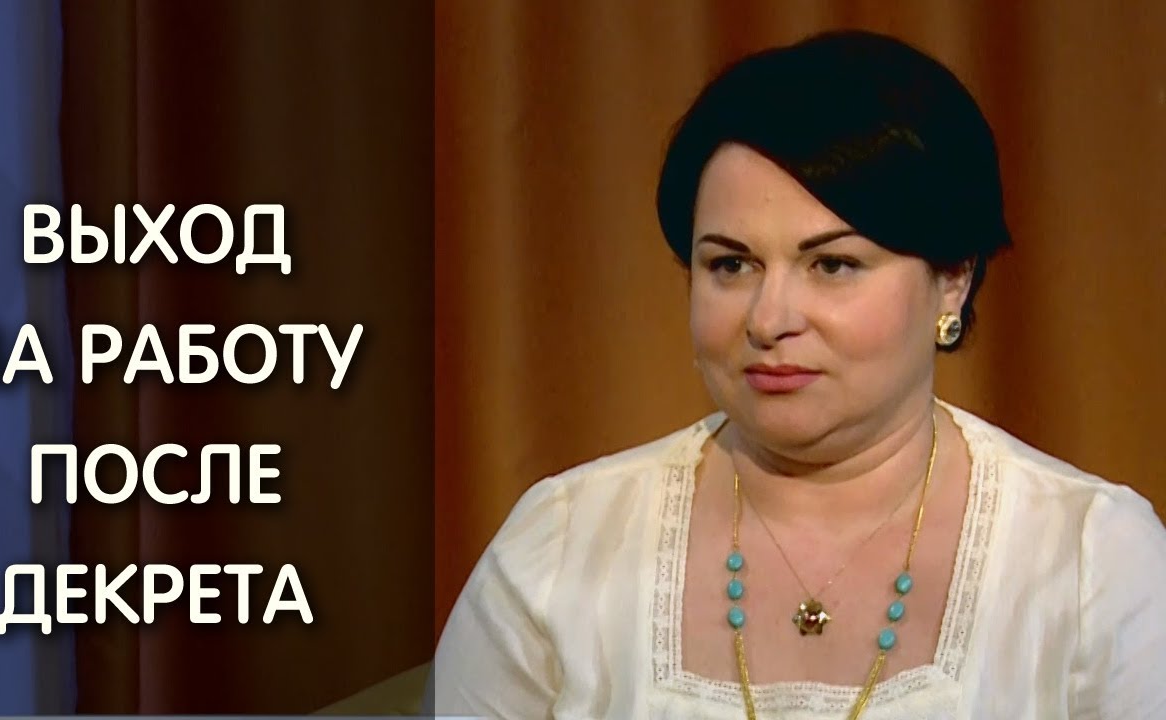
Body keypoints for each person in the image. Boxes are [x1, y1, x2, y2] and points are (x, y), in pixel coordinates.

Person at [430, 29, 1166, 719]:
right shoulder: (564, 544)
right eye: (731, 265)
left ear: (952, 280)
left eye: (833, 265)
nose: (768, 317)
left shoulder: (1089, 563)